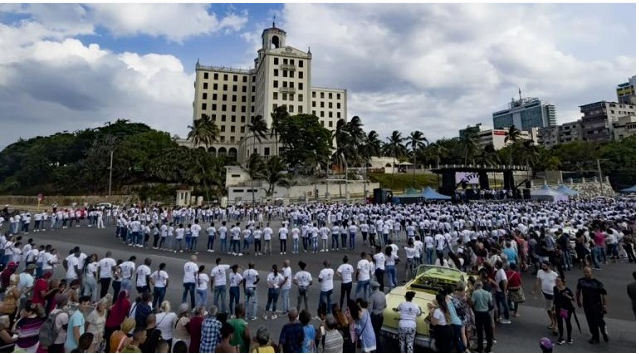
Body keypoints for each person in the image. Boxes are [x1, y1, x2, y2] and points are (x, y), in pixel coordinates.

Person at [576, 267, 608, 344]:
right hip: (587, 304)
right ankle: (595, 336)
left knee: (599, 321)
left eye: (588, 272)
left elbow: (604, 294)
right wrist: (578, 301)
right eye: (585, 272)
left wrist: (604, 305)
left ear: (591, 272)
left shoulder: (597, 283)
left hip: (596, 305)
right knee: (590, 321)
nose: (586, 274)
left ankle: (604, 332)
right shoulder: (581, 281)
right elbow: (578, 291)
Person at [533, 260, 558, 334]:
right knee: (548, 309)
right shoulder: (540, 272)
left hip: (553, 295)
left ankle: (556, 325)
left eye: (544, 266)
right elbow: (538, 281)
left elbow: (558, 284)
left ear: (548, 266)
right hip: (544, 293)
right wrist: (534, 290)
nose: (543, 267)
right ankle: (552, 322)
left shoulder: (554, 274)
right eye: (542, 266)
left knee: (554, 311)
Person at [471, 281, 494, 353]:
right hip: (486, 313)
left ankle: (480, 347)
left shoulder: (475, 293)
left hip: (478, 314)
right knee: (488, 331)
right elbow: (490, 303)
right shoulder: (487, 293)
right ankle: (489, 346)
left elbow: (472, 303)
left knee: (479, 331)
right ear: (482, 285)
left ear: (475, 286)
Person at [553, 277, 575, 345]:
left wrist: (567, 295)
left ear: (562, 282)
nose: (557, 282)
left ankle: (569, 337)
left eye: (558, 281)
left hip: (566, 309)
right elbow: (555, 298)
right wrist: (553, 307)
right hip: (558, 308)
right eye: (556, 281)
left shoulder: (567, 290)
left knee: (567, 322)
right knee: (560, 323)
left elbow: (573, 299)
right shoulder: (555, 288)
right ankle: (561, 337)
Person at [368, 281, 386, 350]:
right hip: (381, 315)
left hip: (375, 316)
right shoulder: (382, 294)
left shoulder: (372, 296)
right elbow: (385, 305)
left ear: (372, 288)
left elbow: (370, 309)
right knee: (378, 332)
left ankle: (377, 348)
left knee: (374, 333)